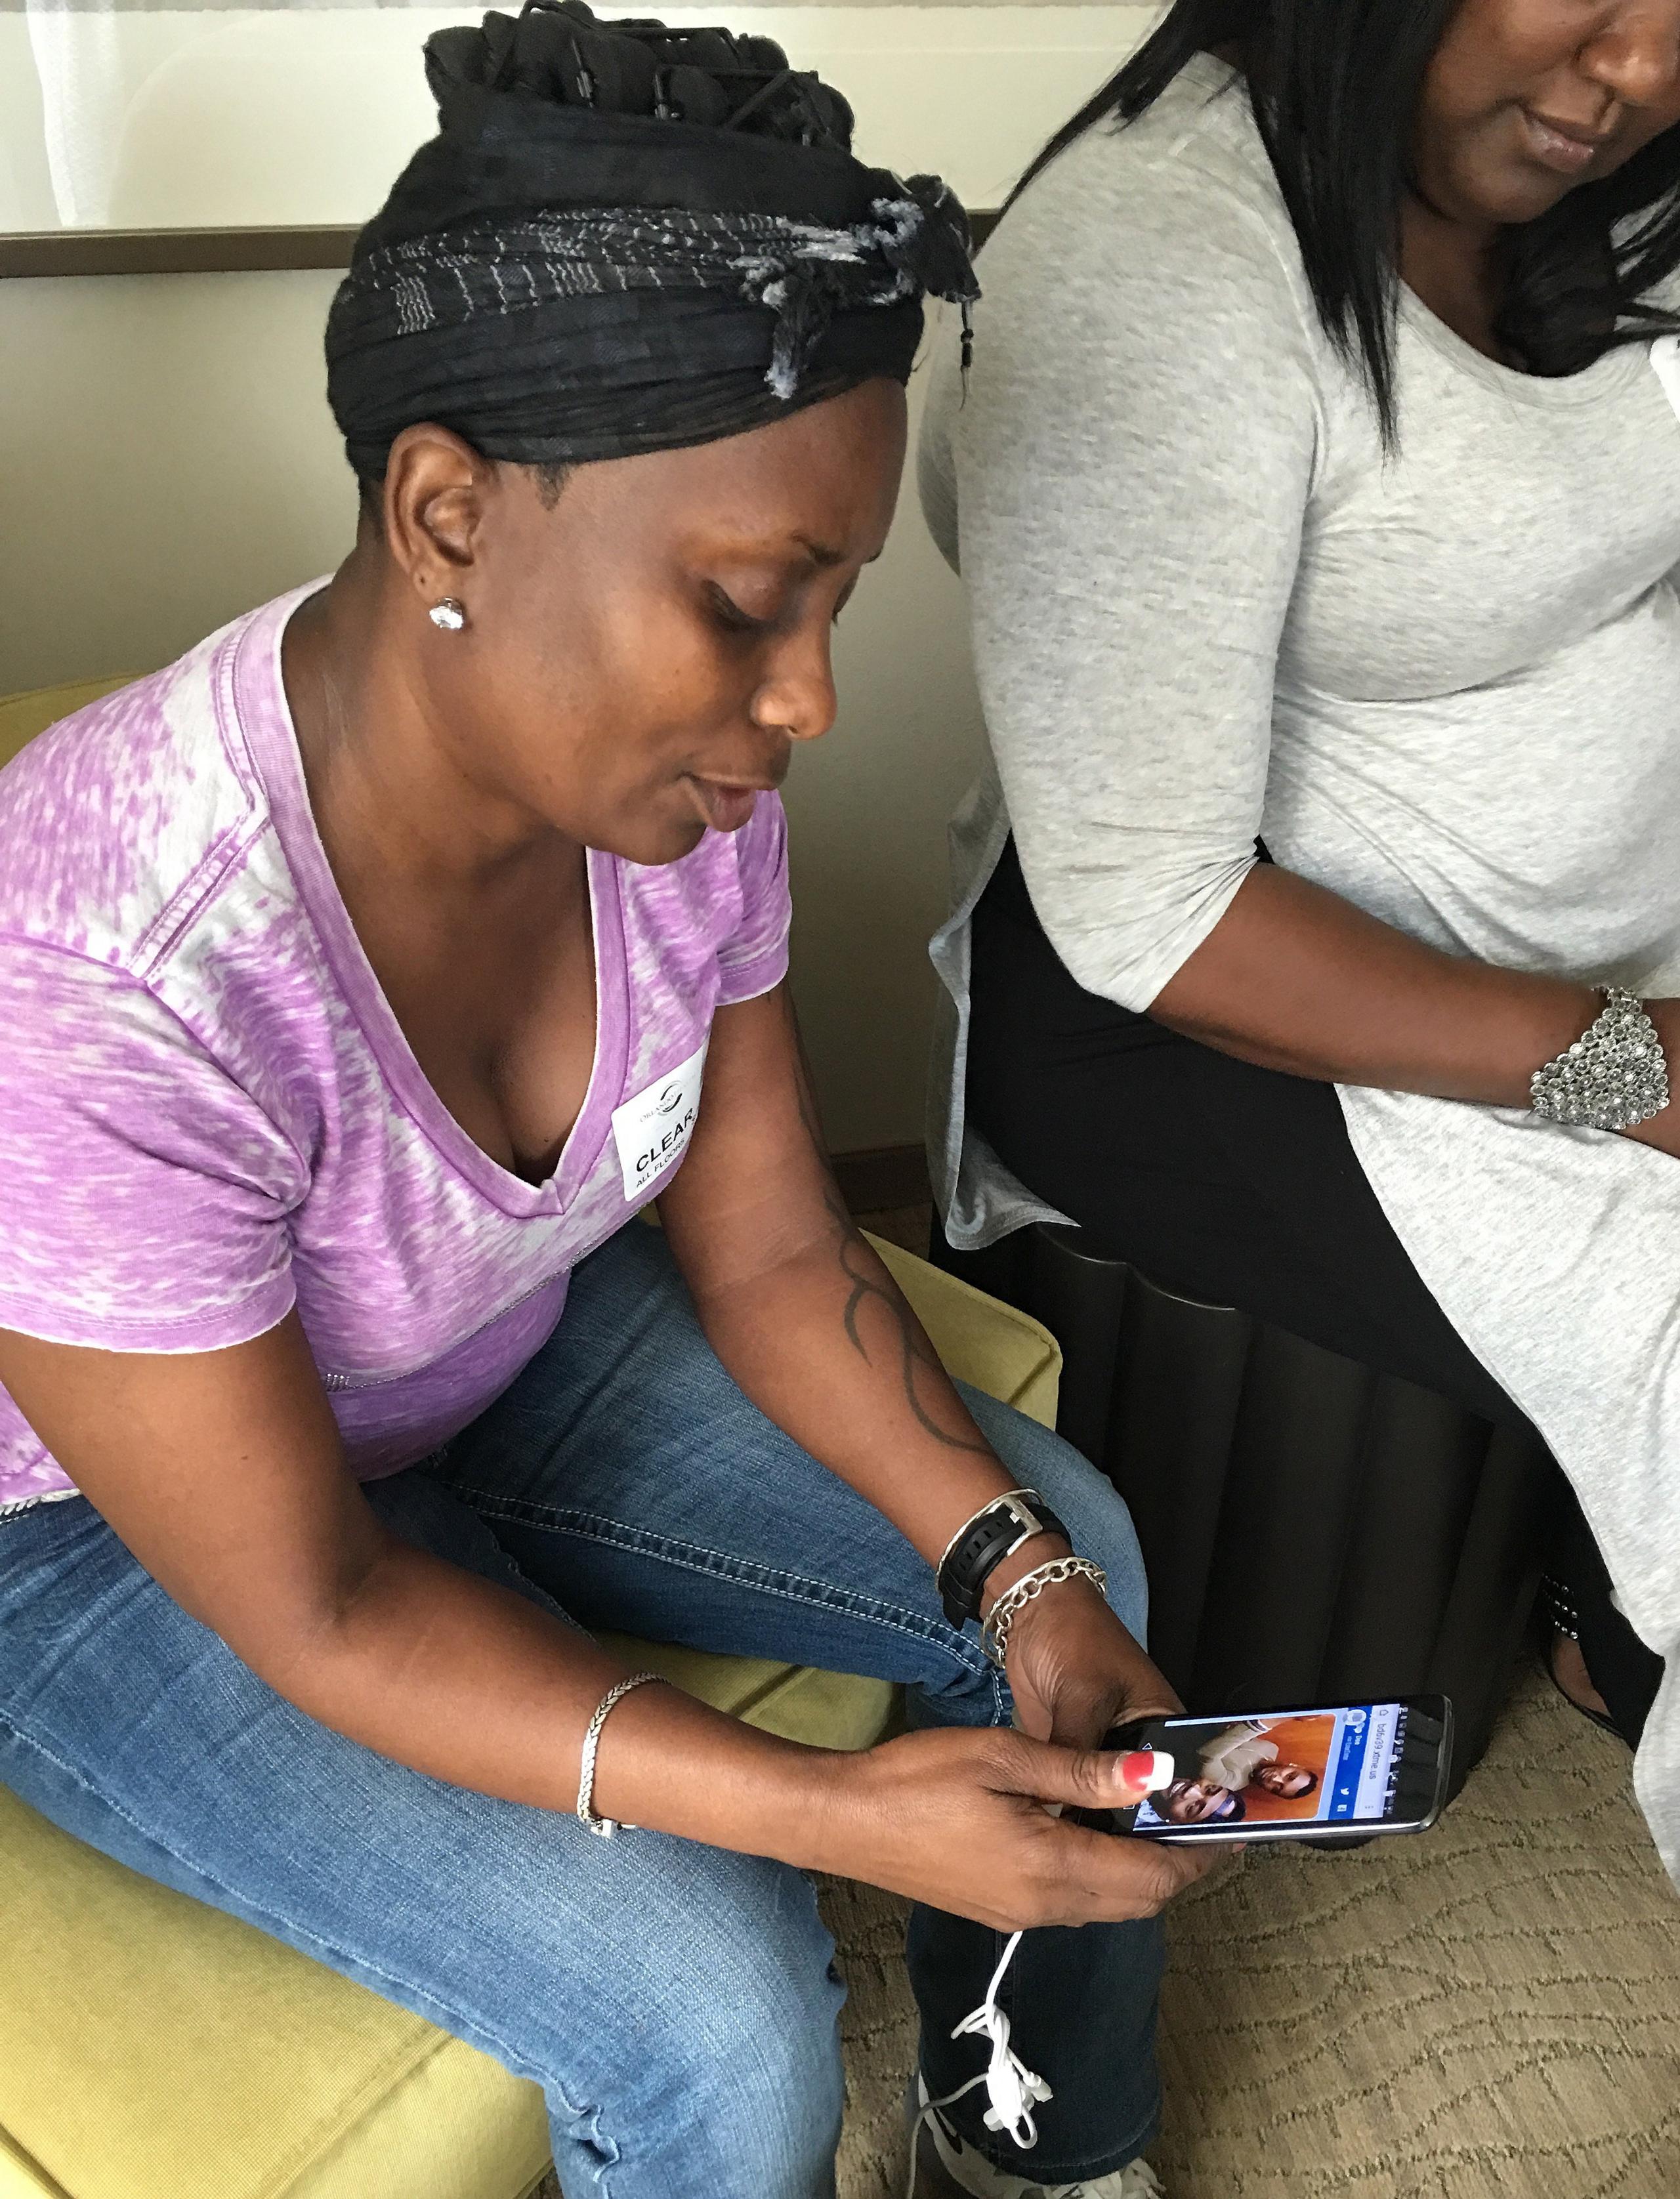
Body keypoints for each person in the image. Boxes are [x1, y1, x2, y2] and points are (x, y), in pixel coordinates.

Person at [0, 11, 1210, 2199]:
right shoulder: (98, 972)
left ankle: (1035, 2142)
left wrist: (1013, 1571)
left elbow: (761, 1240)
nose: (811, 700)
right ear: (446, 506)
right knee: (718, 2019)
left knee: (1068, 1558)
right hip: (109, 1547)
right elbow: (326, 1607)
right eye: (751, 605)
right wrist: (839, 1820)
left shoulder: (672, 797)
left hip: (485, 1361)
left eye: (834, 605)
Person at [919, 0, 1680, 1881]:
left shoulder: (1616, 188)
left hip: (1592, 952)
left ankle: (1598, 1605)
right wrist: (1640, 1075)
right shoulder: (1160, 253)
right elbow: (1155, 918)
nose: (1637, 72)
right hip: (1215, 1019)